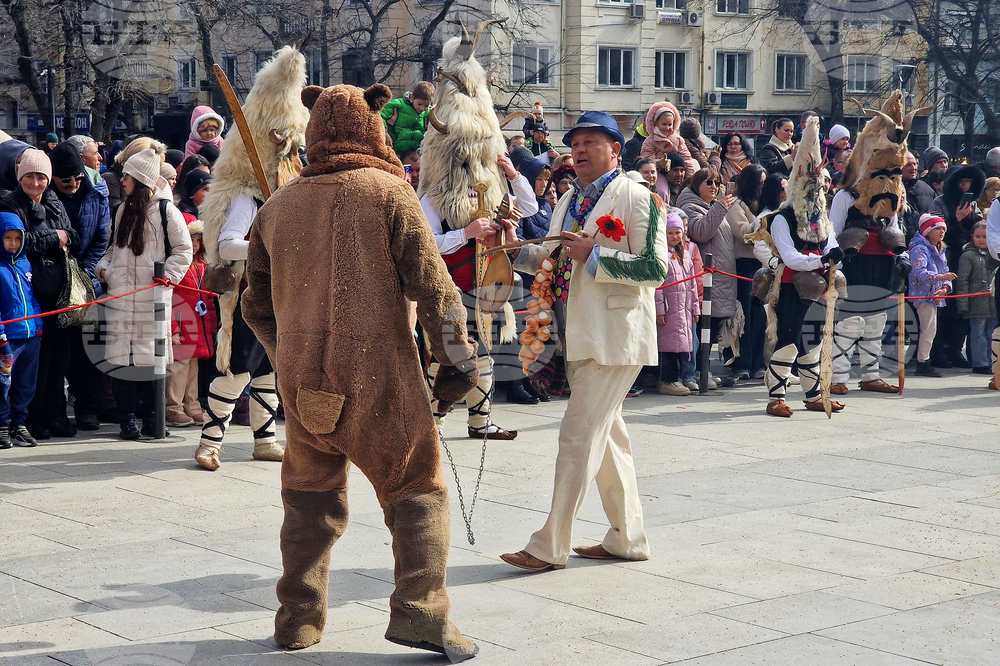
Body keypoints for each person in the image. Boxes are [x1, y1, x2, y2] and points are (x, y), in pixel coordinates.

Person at [243, 76, 481, 657]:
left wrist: (287, 356)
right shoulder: (388, 193)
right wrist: (457, 365)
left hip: (303, 382)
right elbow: (438, 293)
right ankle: (421, 611)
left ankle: (297, 617)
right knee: (416, 490)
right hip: (379, 376)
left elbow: (252, 306)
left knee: (308, 497)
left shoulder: (277, 207)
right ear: (374, 128)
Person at [500, 110, 668, 572]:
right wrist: (518, 248)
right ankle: (627, 539)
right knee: (609, 442)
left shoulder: (638, 197)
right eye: (575, 143)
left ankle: (549, 544)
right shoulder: (569, 199)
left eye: (592, 142)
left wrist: (595, 255)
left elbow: (656, 270)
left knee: (577, 437)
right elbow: (554, 258)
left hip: (616, 337)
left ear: (616, 150)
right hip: (578, 333)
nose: (580, 150)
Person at [196, 46, 309, 470]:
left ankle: (265, 440)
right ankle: (210, 441)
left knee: (269, 369)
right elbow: (226, 245)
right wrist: (273, 251)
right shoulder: (248, 195)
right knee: (239, 368)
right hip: (249, 292)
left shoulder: (291, 193)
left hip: (282, 292)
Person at [418, 64, 538, 442]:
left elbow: (531, 209)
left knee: (484, 355)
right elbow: (426, 245)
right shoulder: (432, 199)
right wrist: (466, 233)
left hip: (487, 287)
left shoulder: (495, 187)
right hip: (448, 290)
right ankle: (431, 424)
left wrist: (513, 175)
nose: (471, 165)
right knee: (448, 356)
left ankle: (479, 422)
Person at [96, 148, 193, 439]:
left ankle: (152, 417)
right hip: (122, 297)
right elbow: (113, 248)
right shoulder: (122, 209)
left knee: (152, 363)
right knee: (123, 362)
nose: (122, 179)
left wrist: (167, 277)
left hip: (152, 298)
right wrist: (105, 270)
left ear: (139, 179)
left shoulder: (166, 211)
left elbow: (183, 251)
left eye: (127, 175)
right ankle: (128, 420)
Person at [829, 93, 913, 396]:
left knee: (876, 323)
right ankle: (838, 376)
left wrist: (902, 253)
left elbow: (893, 225)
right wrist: (833, 255)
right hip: (855, 262)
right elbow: (832, 229)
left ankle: (871, 375)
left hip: (882, 262)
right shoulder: (846, 196)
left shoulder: (893, 194)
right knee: (850, 322)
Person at [762, 116, 843, 416]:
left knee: (812, 342)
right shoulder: (782, 219)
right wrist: (821, 259)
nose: (814, 193)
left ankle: (813, 395)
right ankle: (776, 396)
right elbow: (790, 256)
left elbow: (830, 240)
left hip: (820, 287)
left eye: (818, 189)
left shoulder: (821, 219)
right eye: (809, 187)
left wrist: (834, 254)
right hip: (792, 286)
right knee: (789, 338)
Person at [0, 149, 81, 439]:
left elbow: (74, 236)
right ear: (21, 176)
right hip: (29, 292)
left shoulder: (53, 201)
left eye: (41, 177)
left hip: (59, 291)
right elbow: (18, 242)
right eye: (30, 176)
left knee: (59, 360)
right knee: (34, 364)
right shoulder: (9, 203)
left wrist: (62, 237)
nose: (35, 182)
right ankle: (30, 419)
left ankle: (54, 415)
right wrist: (54, 238)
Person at [48, 142, 111, 431]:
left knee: (90, 351)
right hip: (54, 279)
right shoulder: (47, 198)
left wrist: (84, 275)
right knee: (60, 354)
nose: (72, 184)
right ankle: (56, 412)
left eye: (77, 178)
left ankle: (89, 409)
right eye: (66, 180)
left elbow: (101, 238)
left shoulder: (97, 195)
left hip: (87, 281)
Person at [679, 168, 737, 377]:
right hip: (705, 277)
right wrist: (720, 208)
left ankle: (704, 370)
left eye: (717, 183)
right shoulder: (689, 206)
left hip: (721, 277)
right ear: (697, 185)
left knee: (711, 329)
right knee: (703, 327)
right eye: (709, 182)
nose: (714, 187)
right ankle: (698, 371)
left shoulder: (713, 206)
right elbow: (701, 232)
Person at [928, 164, 985, 368]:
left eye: (968, 183)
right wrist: (956, 219)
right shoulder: (939, 202)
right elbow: (933, 232)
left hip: (967, 260)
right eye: (961, 183)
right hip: (945, 259)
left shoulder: (973, 204)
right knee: (944, 309)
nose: (964, 187)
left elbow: (978, 230)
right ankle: (938, 351)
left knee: (962, 309)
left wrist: (972, 219)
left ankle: (955, 349)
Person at [167, 220, 216, 426]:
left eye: (198, 240)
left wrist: (211, 327)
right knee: (179, 369)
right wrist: (173, 329)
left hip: (199, 325)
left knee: (192, 369)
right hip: (183, 323)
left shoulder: (202, 265)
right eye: (190, 239)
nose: (195, 244)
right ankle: (173, 407)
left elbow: (209, 300)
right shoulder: (176, 266)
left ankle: (192, 404)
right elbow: (169, 299)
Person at [0, 212, 42, 448]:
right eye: (7, 238)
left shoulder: (25, 263)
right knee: (3, 382)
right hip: (7, 338)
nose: (13, 243)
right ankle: (2, 424)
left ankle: (19, 423)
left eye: (17, 238)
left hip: (30, 335)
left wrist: (38, 327)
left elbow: (32, 297)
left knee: (26, 383)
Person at [726, 163, 768, 379]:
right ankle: (743, 362)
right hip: (744, 262)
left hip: (763, 263)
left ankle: (759, 362)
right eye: (759, 182)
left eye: (764, 182)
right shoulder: (737, 204)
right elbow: (742, 231)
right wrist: (762, 223)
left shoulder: (766, 204)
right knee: (744, 315)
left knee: (760, 315)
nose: (762, 187)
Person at [655, 211, 699, 395]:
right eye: (670, 232)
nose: (674, 236)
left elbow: (693, 284)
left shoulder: (685, 255)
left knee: (683, 343)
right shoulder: (661, 255)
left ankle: (685, 376)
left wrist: (695, 307)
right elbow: (658, 286)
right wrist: (659, 311)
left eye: (677, 232)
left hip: (683, 308)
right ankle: (668, 379)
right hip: (668, 308)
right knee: (668, 345)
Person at [909, 215, 954, 377]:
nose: (942, 231)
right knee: (927, 329)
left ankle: (924, 359)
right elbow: (918, 273)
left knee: (930, 329)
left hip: (935, 295)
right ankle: (922, 362)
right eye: (937, 228)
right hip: (922, 294)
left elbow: (946, 271)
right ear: (927, 231)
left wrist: (944, 289)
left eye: (943, 228)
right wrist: (940, 278)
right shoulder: (919, 249)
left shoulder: (941, 249)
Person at [956, 220, 997, 374]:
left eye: (985, 236)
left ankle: (992, 362)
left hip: (993, 304)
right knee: (978, 334)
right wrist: (963, 304)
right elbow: (962, 281)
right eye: (978, 236)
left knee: (992, 335)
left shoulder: (995, 255)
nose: (981, 239)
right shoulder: (968, 256)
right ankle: (980, 363)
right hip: (976, 303)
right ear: (972, 236)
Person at [640, 101, 697, 201]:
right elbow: (646, 161)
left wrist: (689, 179)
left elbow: (687, 159)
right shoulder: (649, 141)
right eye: (664, 124)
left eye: (670, 124)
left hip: (678, 173)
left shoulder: (678, 139)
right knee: (662, 191)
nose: (667, 128)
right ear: (656, 123)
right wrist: (659, 163)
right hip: (658, 173)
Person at [380, 80, 434, 155]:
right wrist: (385, 133)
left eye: (426, 105)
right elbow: (380, 117)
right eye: (419, 104)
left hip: (416, 151)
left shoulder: (429, 112)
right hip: (397, 149)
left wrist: (429, 129)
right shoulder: (398, 105)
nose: (422, 109)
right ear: (412, 97)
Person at [902, 151, 938, 241]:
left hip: (923, 243)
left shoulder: (927, 190)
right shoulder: (890, 189)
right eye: (908, 165)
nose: (913, 168)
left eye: (915, 164)